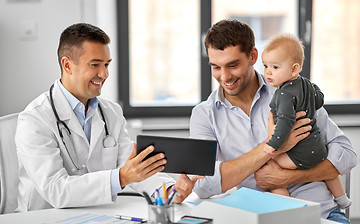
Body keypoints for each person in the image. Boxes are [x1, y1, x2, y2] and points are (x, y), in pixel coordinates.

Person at [188, 20, 356, 223]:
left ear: (252, 56)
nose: (225, 77)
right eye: (216, 67)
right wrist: (271, 146)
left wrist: (289, 177)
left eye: (233, 65)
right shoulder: (204, 115)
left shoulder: (291, 91)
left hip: (319, 214)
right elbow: (203, 185)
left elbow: (347, 154)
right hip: (255, 218)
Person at [15, 23, 196, 212]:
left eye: (107, 64)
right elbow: (56, 190)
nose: (104, 74)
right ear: (67, 65)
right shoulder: (34, 119)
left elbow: (132, 167)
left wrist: (169, 191)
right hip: (44, 217)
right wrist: (121, 178)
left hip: (98, 214)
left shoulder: (111, 113)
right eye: (95, 65)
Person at [261, 33, 351, 209]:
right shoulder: (307, 84)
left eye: (275, 67)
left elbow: (286, 122)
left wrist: (273, 144)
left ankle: (287, 207)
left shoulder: (283, 94)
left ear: (294, 69)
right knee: (329, 172)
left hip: (299, 155)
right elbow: (319, 99)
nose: (268, 72)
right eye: (265, 66)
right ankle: (341, 198)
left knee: (272, 169)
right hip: (317, 147)